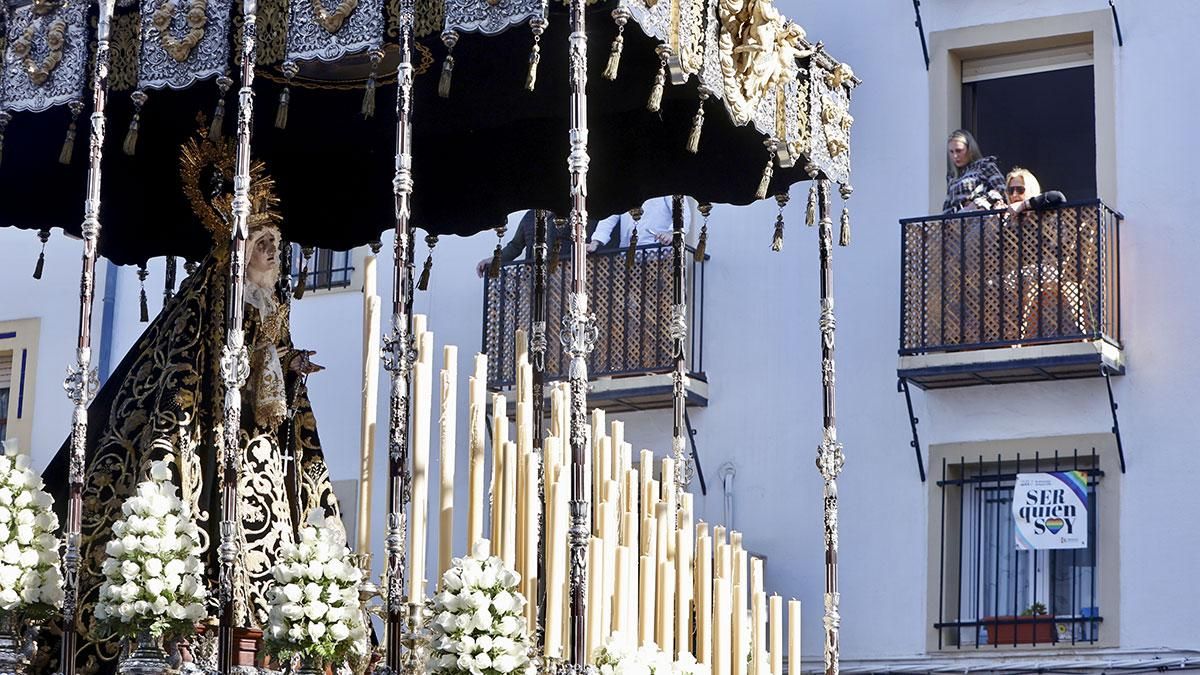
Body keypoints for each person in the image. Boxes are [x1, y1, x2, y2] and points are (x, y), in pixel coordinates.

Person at [41, 132, 343, 673]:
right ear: (239, 250)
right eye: (262, 243)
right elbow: (199, 359)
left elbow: (270, 371)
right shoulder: (214, 295)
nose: (272, 253)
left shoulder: (272, 304)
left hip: (262, 447)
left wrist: (290, 365)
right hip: (209, 435)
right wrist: (261, 365)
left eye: (275, 243)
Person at [475, 210, 607, 277]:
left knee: (558, 316)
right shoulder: (529, 217)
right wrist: (493, 260)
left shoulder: (568, 213)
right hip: (531, 276)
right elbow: (515, 246)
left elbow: (586, 237)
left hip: (562, 275)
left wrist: (593, 244)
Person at [588, 195, 695, 253]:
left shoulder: (667, 183)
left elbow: (682, 213)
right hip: (629, 255)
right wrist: (595, 241)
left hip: (661, 255)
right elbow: (608, 217)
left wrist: (671, 232)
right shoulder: (622, 187)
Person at [943, 129, 1007, 213]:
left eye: (959, 151)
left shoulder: (984, 166)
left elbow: (1001, 189)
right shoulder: (952, 176)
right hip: (959, 219)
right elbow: (947, 208)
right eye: (951, 152)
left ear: (970, 150)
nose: (955, 156)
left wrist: (976, 204)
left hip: (982, 218)